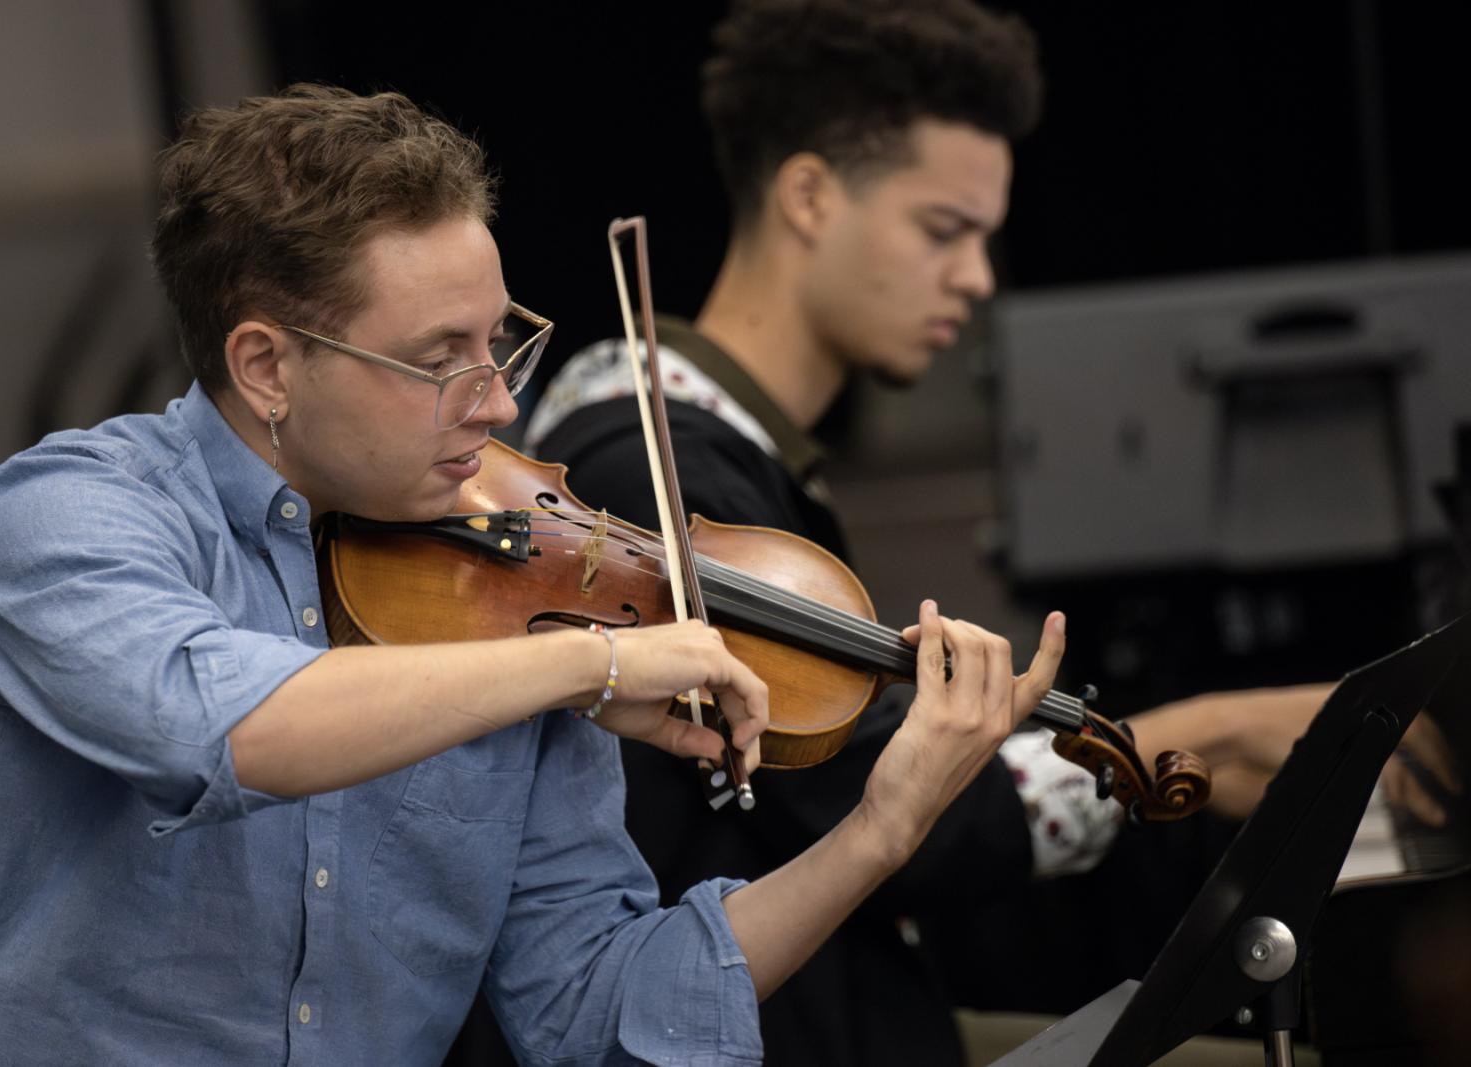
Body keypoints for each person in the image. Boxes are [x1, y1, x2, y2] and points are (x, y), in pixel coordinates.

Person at [0, 85, 1068, 1066]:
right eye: (439, 358)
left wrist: (880, 827)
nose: (498, 400)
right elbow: (231, 727)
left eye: (499, 340)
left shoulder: (517, 592)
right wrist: (585, 661)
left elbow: (596, 1007)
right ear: (265, 363)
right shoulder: (67, 517)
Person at [522, 1, 1458, 1062]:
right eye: (943, 230)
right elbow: (855, 803)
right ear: (809, 195)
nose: (974, 277)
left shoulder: (726, 449)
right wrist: (1183, 738)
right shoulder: (647, 464)